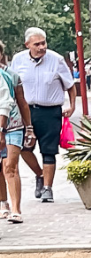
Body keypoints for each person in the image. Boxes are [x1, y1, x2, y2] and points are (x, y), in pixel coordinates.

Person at [10, 28, 75, 203]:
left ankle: (47, 188)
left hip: (50, 111)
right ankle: (39, 174)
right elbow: (11, 84)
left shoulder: (56, 60)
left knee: (48, 150)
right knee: (24, 147)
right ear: (27, 45)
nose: (41, 47)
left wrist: (72, 106)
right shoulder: (18, 60)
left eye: (43, 43)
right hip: (26, 111)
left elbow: (70, 85)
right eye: (37, 44)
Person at [0, 40, 36, 224]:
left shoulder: (11, 76)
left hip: (13, 125)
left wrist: (29, 127)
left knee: (10, 166)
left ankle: (16, 208)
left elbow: (22, 102)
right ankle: (3, 202)